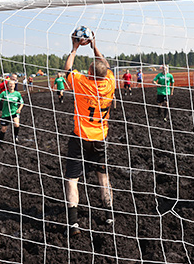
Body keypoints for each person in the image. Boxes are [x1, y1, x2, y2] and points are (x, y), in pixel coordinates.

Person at [63, 31, 115, 236]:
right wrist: (94, 46)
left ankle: (74, 223)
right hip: (100, 138)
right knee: (102, 177)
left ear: (90, 72)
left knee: (72, 179)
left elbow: (67, 68)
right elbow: (106, 66)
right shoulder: (110, 82)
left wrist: (75, 48)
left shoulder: (82, 83)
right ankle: (109, 215)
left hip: (80, 137)